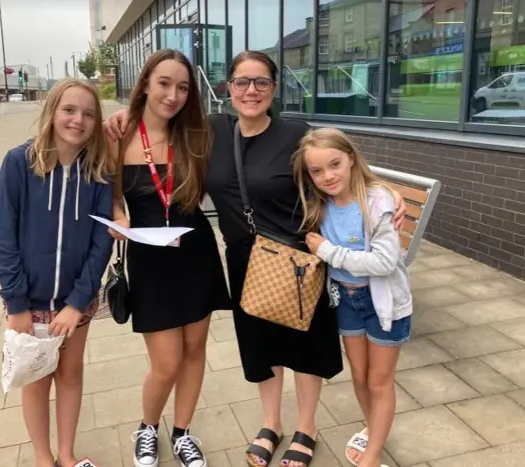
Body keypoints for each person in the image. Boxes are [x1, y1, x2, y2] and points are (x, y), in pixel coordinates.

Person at [104, 50, 406, 467]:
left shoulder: (296, 134)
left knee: (303, 347)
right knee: (261, 349)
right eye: (242, 82)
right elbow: (156, 119)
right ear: (228, 88)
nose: (251, 91)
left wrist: (384, 188)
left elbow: (334, 164)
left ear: (274, 88)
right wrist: (122, 114)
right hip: (244, 258)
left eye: (261, 82)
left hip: (297, 256)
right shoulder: (209, 131)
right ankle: (270, 424)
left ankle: (306, 428)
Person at [105, 48, 230, 467]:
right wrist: (119, 220)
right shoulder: (118, 135)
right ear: (144, 83)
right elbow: (114, 199)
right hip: (149, 261)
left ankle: (182, 433)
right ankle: (147, 427)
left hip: (195, 254)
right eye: (164, 83)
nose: (173, 95)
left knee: (195, 352)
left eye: (182, 87)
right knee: (167, 363)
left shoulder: (197, 134)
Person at [0, 78, 114, 467]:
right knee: (36, 379)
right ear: (52, 112)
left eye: (89, 113)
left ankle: (67, 454)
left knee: (71, 375)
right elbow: (0, 237)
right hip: (30, 301)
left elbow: (100, 242)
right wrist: (17, 303)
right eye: (69, 110)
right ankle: (43, 457)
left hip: (76, 301)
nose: (78, 120)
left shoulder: (99, 171)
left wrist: (78, 302)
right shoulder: (19, 163)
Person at [295, 128, 412, 467]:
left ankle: (372, 457)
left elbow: (384, 262)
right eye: (316, 171)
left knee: (379, 380)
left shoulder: (376, 201)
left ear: (351, 159)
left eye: (335, 164)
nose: (327, 176)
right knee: (359, 377)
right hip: (344, 301)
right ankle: (373, 428)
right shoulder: (318, 200)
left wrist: (328, 251)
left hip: (383, 303)